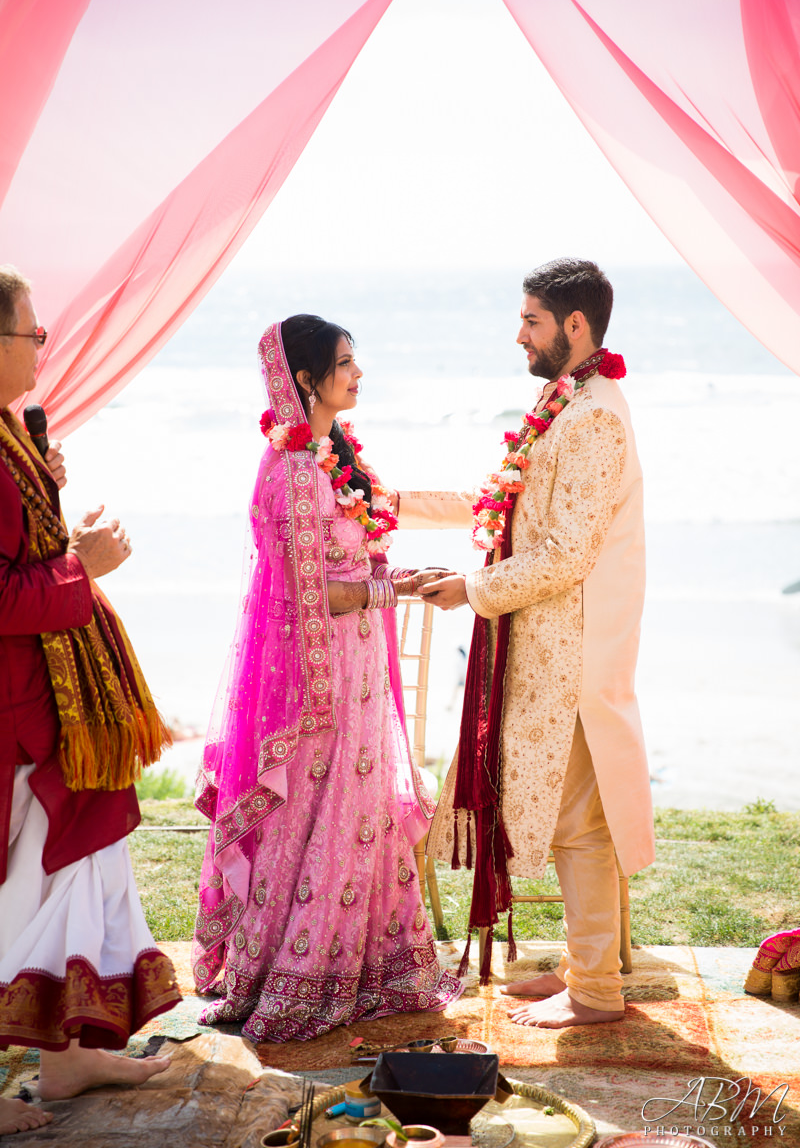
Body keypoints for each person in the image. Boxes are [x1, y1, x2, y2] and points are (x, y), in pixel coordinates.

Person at [192, 315, 462, 1042]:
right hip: (321, 685)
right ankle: (294, 973)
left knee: (360, 815)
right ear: (306, 379)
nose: (358, 373)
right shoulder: (288, 471)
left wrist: (401, 576)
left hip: (360, 670)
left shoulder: (333, 458)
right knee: (312, 821)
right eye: (345, 363)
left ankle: (371, 968)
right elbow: (313, 596)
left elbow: (356, 564)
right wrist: (395, 593)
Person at [420, 259, 655, 1028]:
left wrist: (472, 590)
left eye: (532, 321)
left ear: (575, 327)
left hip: (576, 655)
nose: (518, 334)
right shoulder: (567, 398)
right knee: (568, 818)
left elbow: (568, 553)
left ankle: (594, 993)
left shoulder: (591, 417)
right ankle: (587, 972)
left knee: (580, 823)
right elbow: (509, 507)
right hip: (550, 646)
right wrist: (391, 501)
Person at [0, 266, 181, 1135]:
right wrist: (85, 568)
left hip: (58, 710)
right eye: (31, 333)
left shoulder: (11, 435)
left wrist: (60, 528)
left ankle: (67, 1059)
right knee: (22, 885)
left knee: (77, 861)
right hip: (18, 714)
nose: (43, 346)